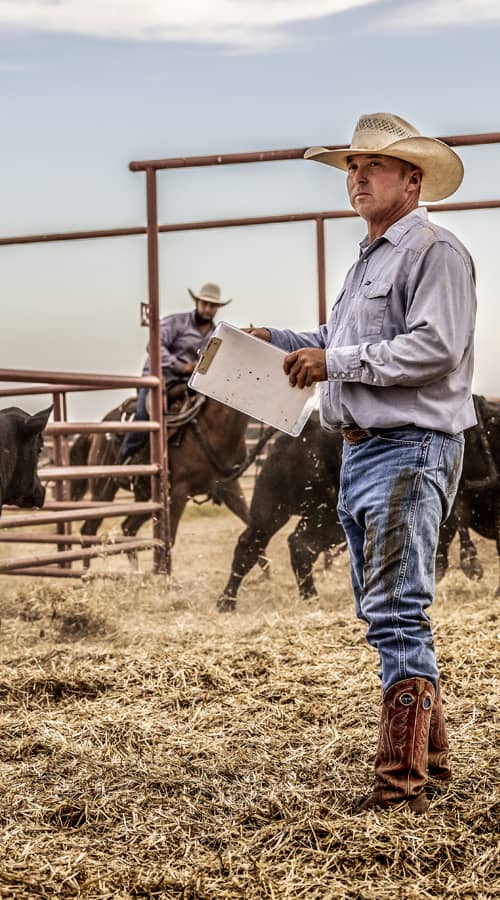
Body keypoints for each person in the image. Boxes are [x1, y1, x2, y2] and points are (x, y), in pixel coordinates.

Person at [250, 112, 477, 813]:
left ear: (413, 180)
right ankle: (426, 767)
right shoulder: (370, 261)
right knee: (388, 610)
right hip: (367, 451)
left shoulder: (433, 251)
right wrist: (278, 339)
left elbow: (435, 347)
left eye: (372, 166)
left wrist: (335, 360)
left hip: (409, 446)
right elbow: (334, 336)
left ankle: (400, 786)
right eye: (352, 166)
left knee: (397, 613)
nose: (357, 177)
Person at [119, 282, 231, 461]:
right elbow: (154, 345)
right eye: (205, 304)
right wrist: (180, 365)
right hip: (159, 376)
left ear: (218, 308)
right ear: (197, 303)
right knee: (146, 414)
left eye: (213, 306)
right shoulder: (176, 322)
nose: (208, 309)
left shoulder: (215, 335)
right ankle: (126, 457)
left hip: (189, 381)